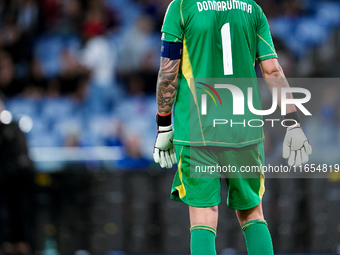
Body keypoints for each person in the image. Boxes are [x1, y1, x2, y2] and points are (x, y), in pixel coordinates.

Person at [152, 1, 312, 255]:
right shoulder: (252, 9)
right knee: (252, 213)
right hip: (243, 128)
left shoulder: (181, 7)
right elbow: (272, 71)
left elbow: (167, 73)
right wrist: (292, 123)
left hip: (197, 129)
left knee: (204, 215)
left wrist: (163, 125)